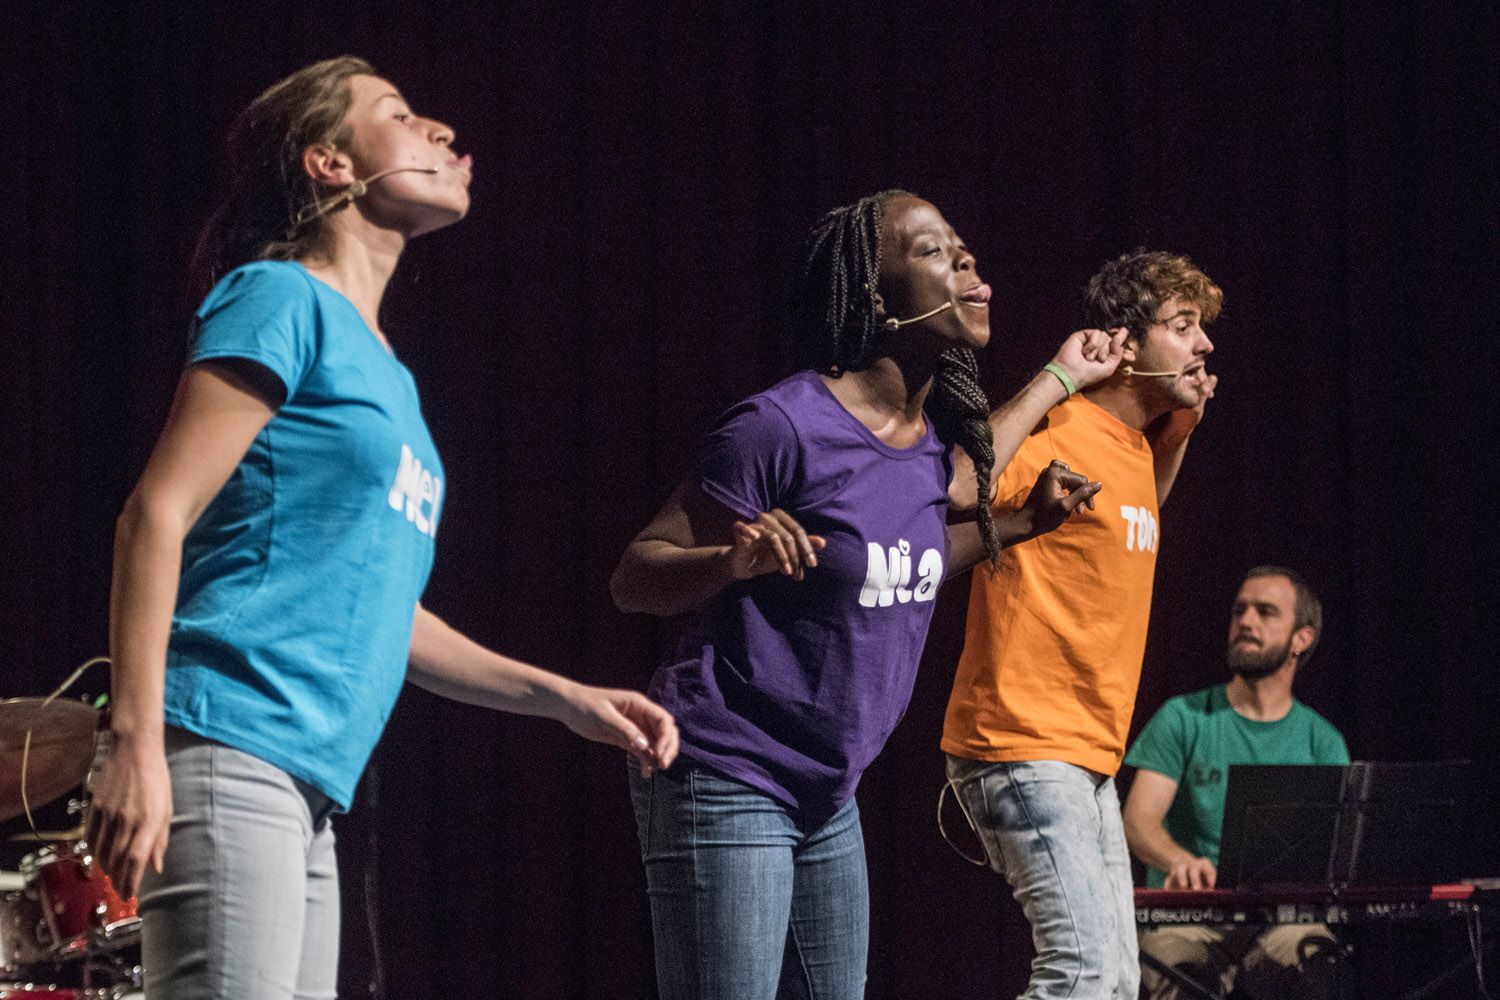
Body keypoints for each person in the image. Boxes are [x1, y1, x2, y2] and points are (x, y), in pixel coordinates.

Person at [84, 56, 677, 1000]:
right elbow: (154, 512)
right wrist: (133, 742)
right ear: (329, 162)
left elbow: (382, 609)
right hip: (232, 740)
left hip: (310, 787)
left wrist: (564, 698)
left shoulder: (390, 376)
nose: (443, 132)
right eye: (401, 114)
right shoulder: (279, 297)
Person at [610, 190, 1119, 1000]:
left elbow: (902, 562)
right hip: (728, 770)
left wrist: (1026, 523)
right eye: (933, 250)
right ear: (879, 301)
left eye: (963, 246)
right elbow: (635, 577)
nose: (965, 260)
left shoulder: (926, 448)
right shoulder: (780, 426)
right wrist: (730, 560)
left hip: (830, 791)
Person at [942, 249, 1222, 999]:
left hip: (1086, 756)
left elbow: (1134, 518)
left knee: (1118, 981)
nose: (1204, 344)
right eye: (1183, 326)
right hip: (1024, 740)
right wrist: (1056, 378)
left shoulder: (1133, 446)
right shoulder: (1061, 427)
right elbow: (960, 485)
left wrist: (1182, 430)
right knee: (1080, 972)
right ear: (1125, 344)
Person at [1123, 566, 1349, 1000]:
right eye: (1239, 610)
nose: (1246, 621)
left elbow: (1335, 850)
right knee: (1180, 973)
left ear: (1302, 639)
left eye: (1265, 612)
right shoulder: (1183, 717)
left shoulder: (1323, 740)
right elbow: (1138, 821)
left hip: (1281, 919)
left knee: (1315, 963)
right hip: (1188, 919)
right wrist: (1179, 860)